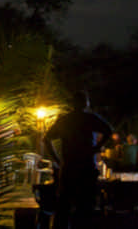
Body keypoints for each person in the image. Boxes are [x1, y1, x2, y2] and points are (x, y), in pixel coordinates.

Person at [43, 90, 112, 229]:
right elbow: (108, 131)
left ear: (72, 104)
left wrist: (57, 159)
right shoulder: (90, 118)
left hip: (69, 167)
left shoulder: (65, 120)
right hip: (86, 167)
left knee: (64, 206)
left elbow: (46, 139)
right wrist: (96, 147)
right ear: (86, 103)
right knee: (85, 206)